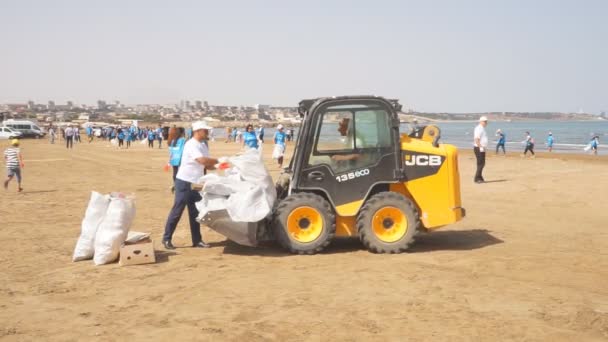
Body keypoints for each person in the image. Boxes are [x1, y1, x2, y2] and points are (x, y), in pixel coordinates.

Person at [162, 121, 218, 250]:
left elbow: (207, 165)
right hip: (184, 182)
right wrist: (219, 160)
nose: (207, 132)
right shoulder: (191, 144)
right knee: (177, 210)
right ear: (197, 131)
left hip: (196, 183)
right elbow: (202, 160)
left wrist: (221, 166)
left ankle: (197, 240)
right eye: (205, 130)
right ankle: (166, 239)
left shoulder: (203, 145)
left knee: (195, 212)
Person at [473, 116, 488, 183]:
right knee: (481, 163)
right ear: (480, 121)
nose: (485, 123)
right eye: (484, 121)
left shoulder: (482, 128)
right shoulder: (479, 128)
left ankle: (480, 177)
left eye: (486, 121)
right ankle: (477, 178)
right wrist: (481, 147)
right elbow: (477, 139)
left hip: (481, 148)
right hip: (479, 148)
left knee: (482, 163)